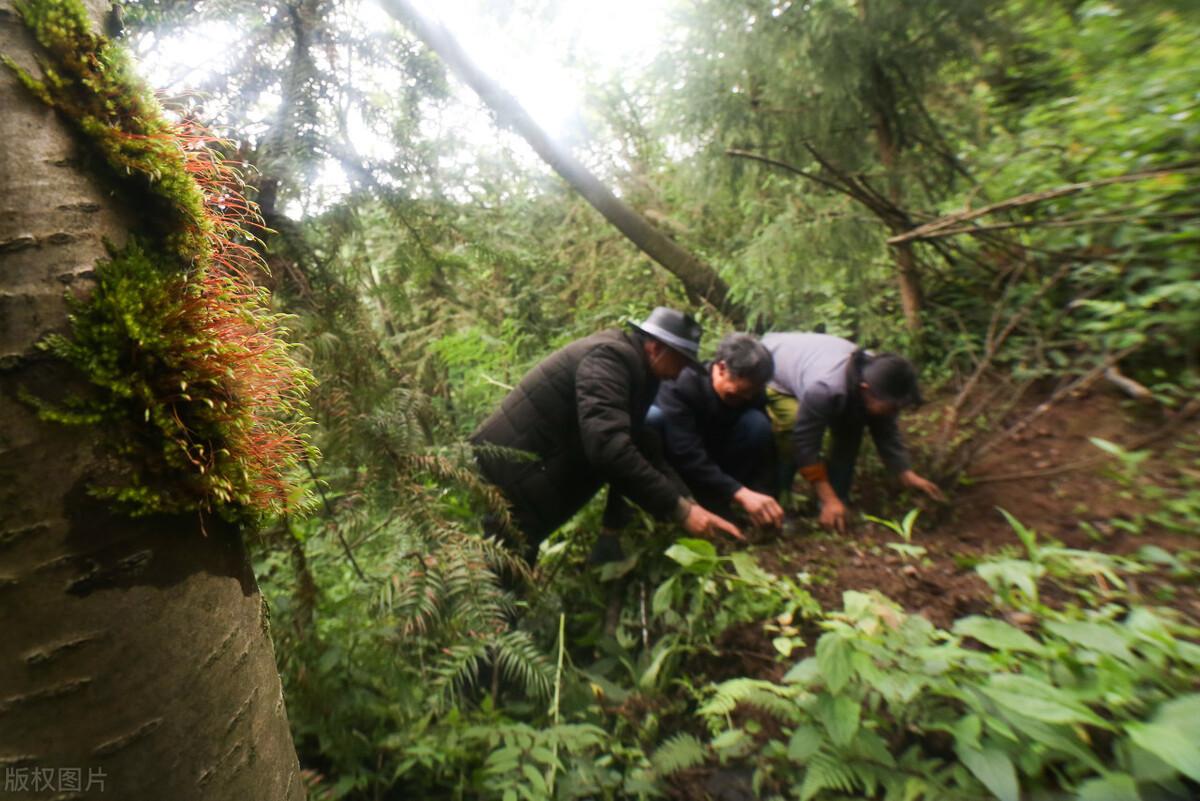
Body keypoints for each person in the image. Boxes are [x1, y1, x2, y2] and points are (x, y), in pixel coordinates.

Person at [471, 307, 743, 563]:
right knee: (490, 579)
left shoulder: (639, 370)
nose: (681, 373)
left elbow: (640, 443)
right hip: (506, 479)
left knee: (505, 570)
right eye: (681, 361)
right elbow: (609, 447)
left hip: (529, 482)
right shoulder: (608, 360)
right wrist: (681, 511)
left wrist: (685, 502)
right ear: (657, 348)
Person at [763, 332, 944, 533]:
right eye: (893, 407)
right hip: (773, 369)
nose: (895, 412)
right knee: (791, 427)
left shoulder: (878, 376)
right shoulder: (825, 388)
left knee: (850, 433)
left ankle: (835, 509)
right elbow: (805, 445)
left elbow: (886, 430)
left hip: (815, 366)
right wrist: (828, 497)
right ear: (866, 389)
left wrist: (905, 473)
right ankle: (779, 503)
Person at [650, 333, 784, 529]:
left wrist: (765, 495)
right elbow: (686, 454)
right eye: (738, 393)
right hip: (680, 463)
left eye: (752, 393)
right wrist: (738, 492)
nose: (746, 398)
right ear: (721, 368)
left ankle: (721, 500)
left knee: (758, 424)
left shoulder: (751, 392)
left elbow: (766, 451)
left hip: (721, 456)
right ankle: (694, 504)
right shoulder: (682, 386)